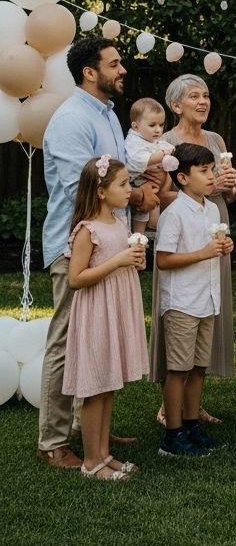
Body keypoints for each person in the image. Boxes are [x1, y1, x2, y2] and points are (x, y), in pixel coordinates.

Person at [37, 37, 165, 470]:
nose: (122, 69)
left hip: (111, 244)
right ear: (90, 72)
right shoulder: (72, 119)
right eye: (114, 63)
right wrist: (136, 196)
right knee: (67, 342)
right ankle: (53, 440)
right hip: (76, 244)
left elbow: (120, 176)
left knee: (98, 341)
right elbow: (84, 187)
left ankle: (88, 429)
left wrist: (140, 192)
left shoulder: (107, 114)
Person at [151, 73, 236, 422]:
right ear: (176, 106)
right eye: (193, 97)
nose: (203, 102)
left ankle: (193, 406)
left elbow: (226, 191)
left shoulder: (215, 139)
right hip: (182, 234)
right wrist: (204, 189)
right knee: (181, 314)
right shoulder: (166, 144)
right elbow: (158, 196)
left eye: (205, 96)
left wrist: (229, 187)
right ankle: (169, 407)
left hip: (215, 227)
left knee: (209, 306)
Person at [63, 154, 149, 480]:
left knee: (109, 385)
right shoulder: (87, 230)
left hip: (117, 309)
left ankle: (103, 454)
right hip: (97, 312)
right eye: (123, 184)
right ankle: (90, 463)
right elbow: (75, 278)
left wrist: (134, 261)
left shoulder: (119, 222)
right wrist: (117, 262)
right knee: (95, 387)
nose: (130, 189)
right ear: (101, 191)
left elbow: (123, 260)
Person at [154, 143, 234, 458]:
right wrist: (203, 253)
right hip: (182, 302)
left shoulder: (212, 209)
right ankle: (172, 436)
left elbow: (211, 246)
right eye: (204, 171)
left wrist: (223, 246)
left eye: (212, 170)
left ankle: (190, 426)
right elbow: (163, 260)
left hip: (207, 297)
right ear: (184, 178)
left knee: (199, 367)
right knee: (179, 369)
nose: (212, 176)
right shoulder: (174, 214)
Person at [123, 97, 178, 232]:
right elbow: (136, 161)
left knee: (154, 216)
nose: (158, 130)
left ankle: (148, 231)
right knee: (143, 210)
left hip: (151, 183)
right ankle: (138, 235)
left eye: (161, 125)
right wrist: (162, 154)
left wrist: (169, 151)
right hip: (136, 183)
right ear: (135, 126)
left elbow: (161, 145)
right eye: (152, 125)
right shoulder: (133, 141)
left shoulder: (150, 138)